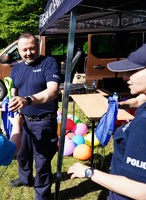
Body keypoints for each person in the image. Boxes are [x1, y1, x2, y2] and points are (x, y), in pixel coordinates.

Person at [68, 44, 146, 200]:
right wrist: (122, 104)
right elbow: (141, 99)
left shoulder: (143, 124)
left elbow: (141, 190)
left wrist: (88, 171)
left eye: (132, 72)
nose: (124, 77)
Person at [7, 32, 61, 200]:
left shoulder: (48, 63)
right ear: (19, 51)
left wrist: (28, 100)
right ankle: (25, 179)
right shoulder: (16, 69)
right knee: (22, 154)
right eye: (24, 50)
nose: (28, 53)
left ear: (38, 46)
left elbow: (52, 91)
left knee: (42, 161)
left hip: (43, 122)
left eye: (32, 48)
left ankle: (42, 195)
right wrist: (10, 110)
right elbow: (13, 93)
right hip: (23, 121)